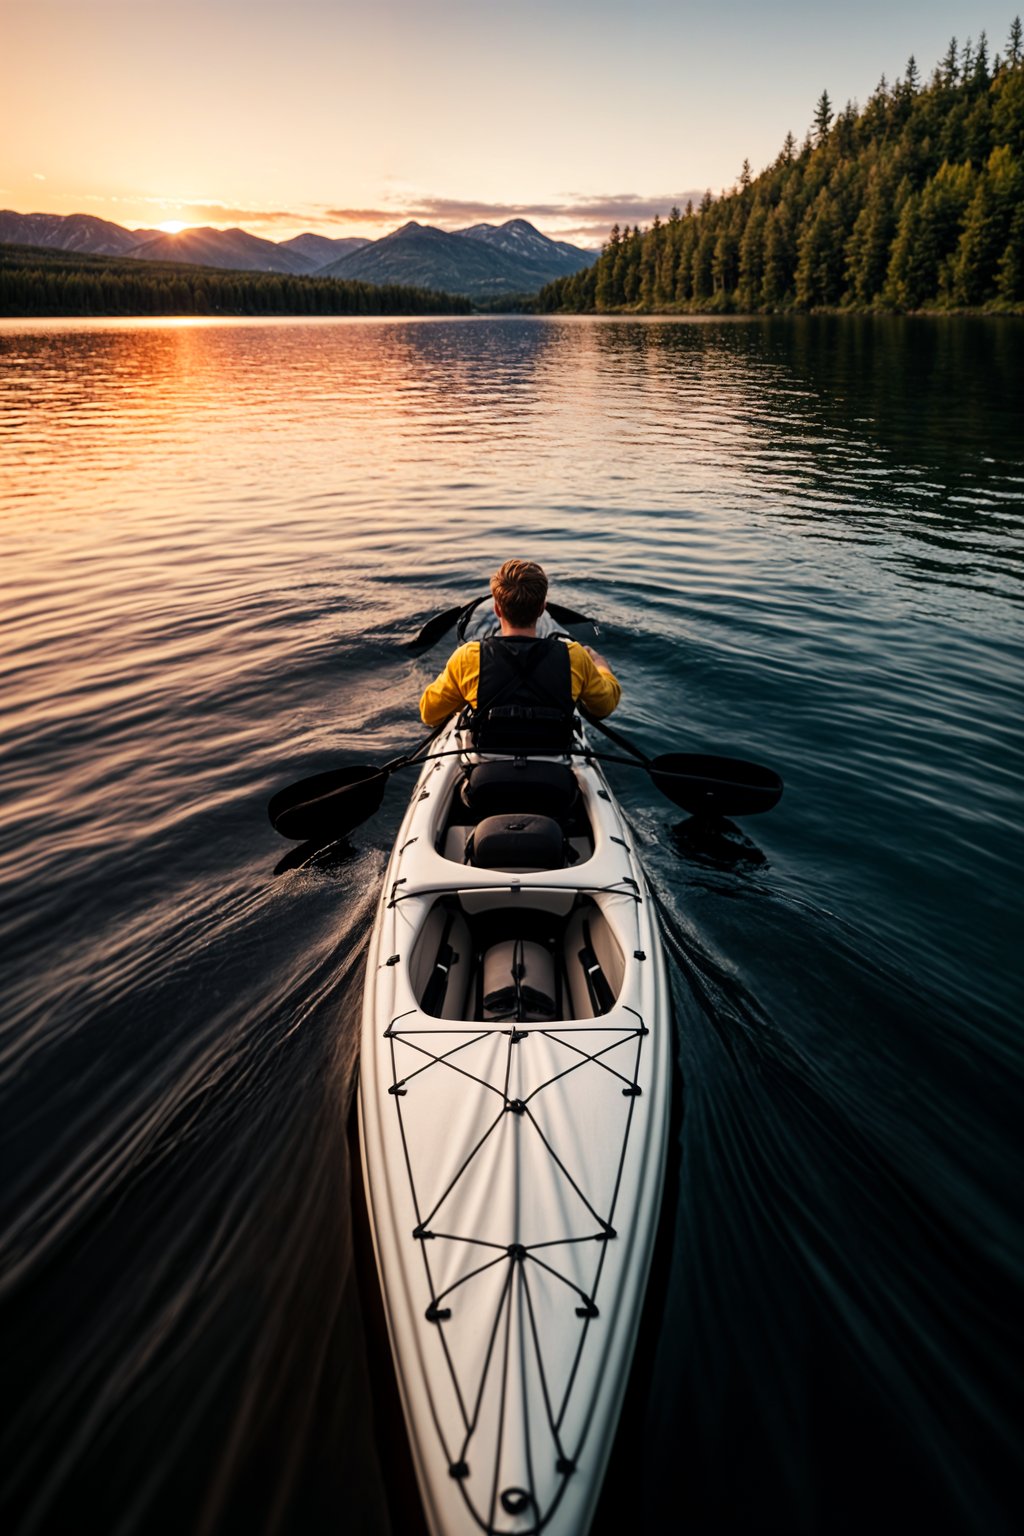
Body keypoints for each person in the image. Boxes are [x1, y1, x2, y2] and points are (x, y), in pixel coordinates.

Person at [419, 559, 621, 737]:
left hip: (487, 763)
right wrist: (601, 666)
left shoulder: (468, 657)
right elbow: (604, 707)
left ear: (497, 608)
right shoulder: (574, 656)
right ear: (542, 608)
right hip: (553, 760)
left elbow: (429, 714)